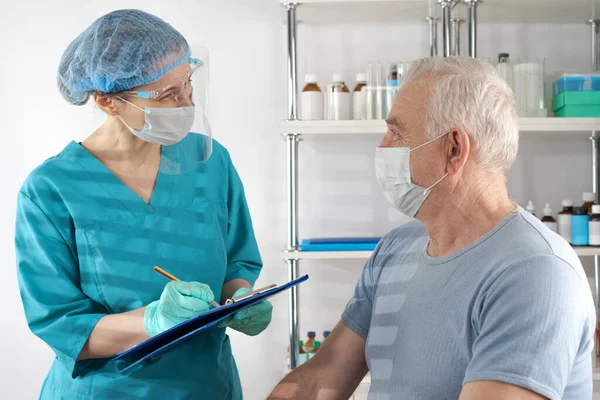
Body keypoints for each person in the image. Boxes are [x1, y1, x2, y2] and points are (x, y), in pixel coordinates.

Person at [269, 57, 596, 399]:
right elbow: (322, 379)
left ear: (454, 148)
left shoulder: (534, 271)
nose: (382, 147)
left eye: (396, 132)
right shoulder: (396, 248)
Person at [15, 9, 272, 399]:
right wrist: (154, 319)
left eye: (188, 84)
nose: (187, 103)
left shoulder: (211, 162)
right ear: (108, 102)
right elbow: (61, 324)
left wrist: (239, 297)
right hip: (109, 390)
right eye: (169, 95)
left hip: (208, 385)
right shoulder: (51, 189)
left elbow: (236, 260)